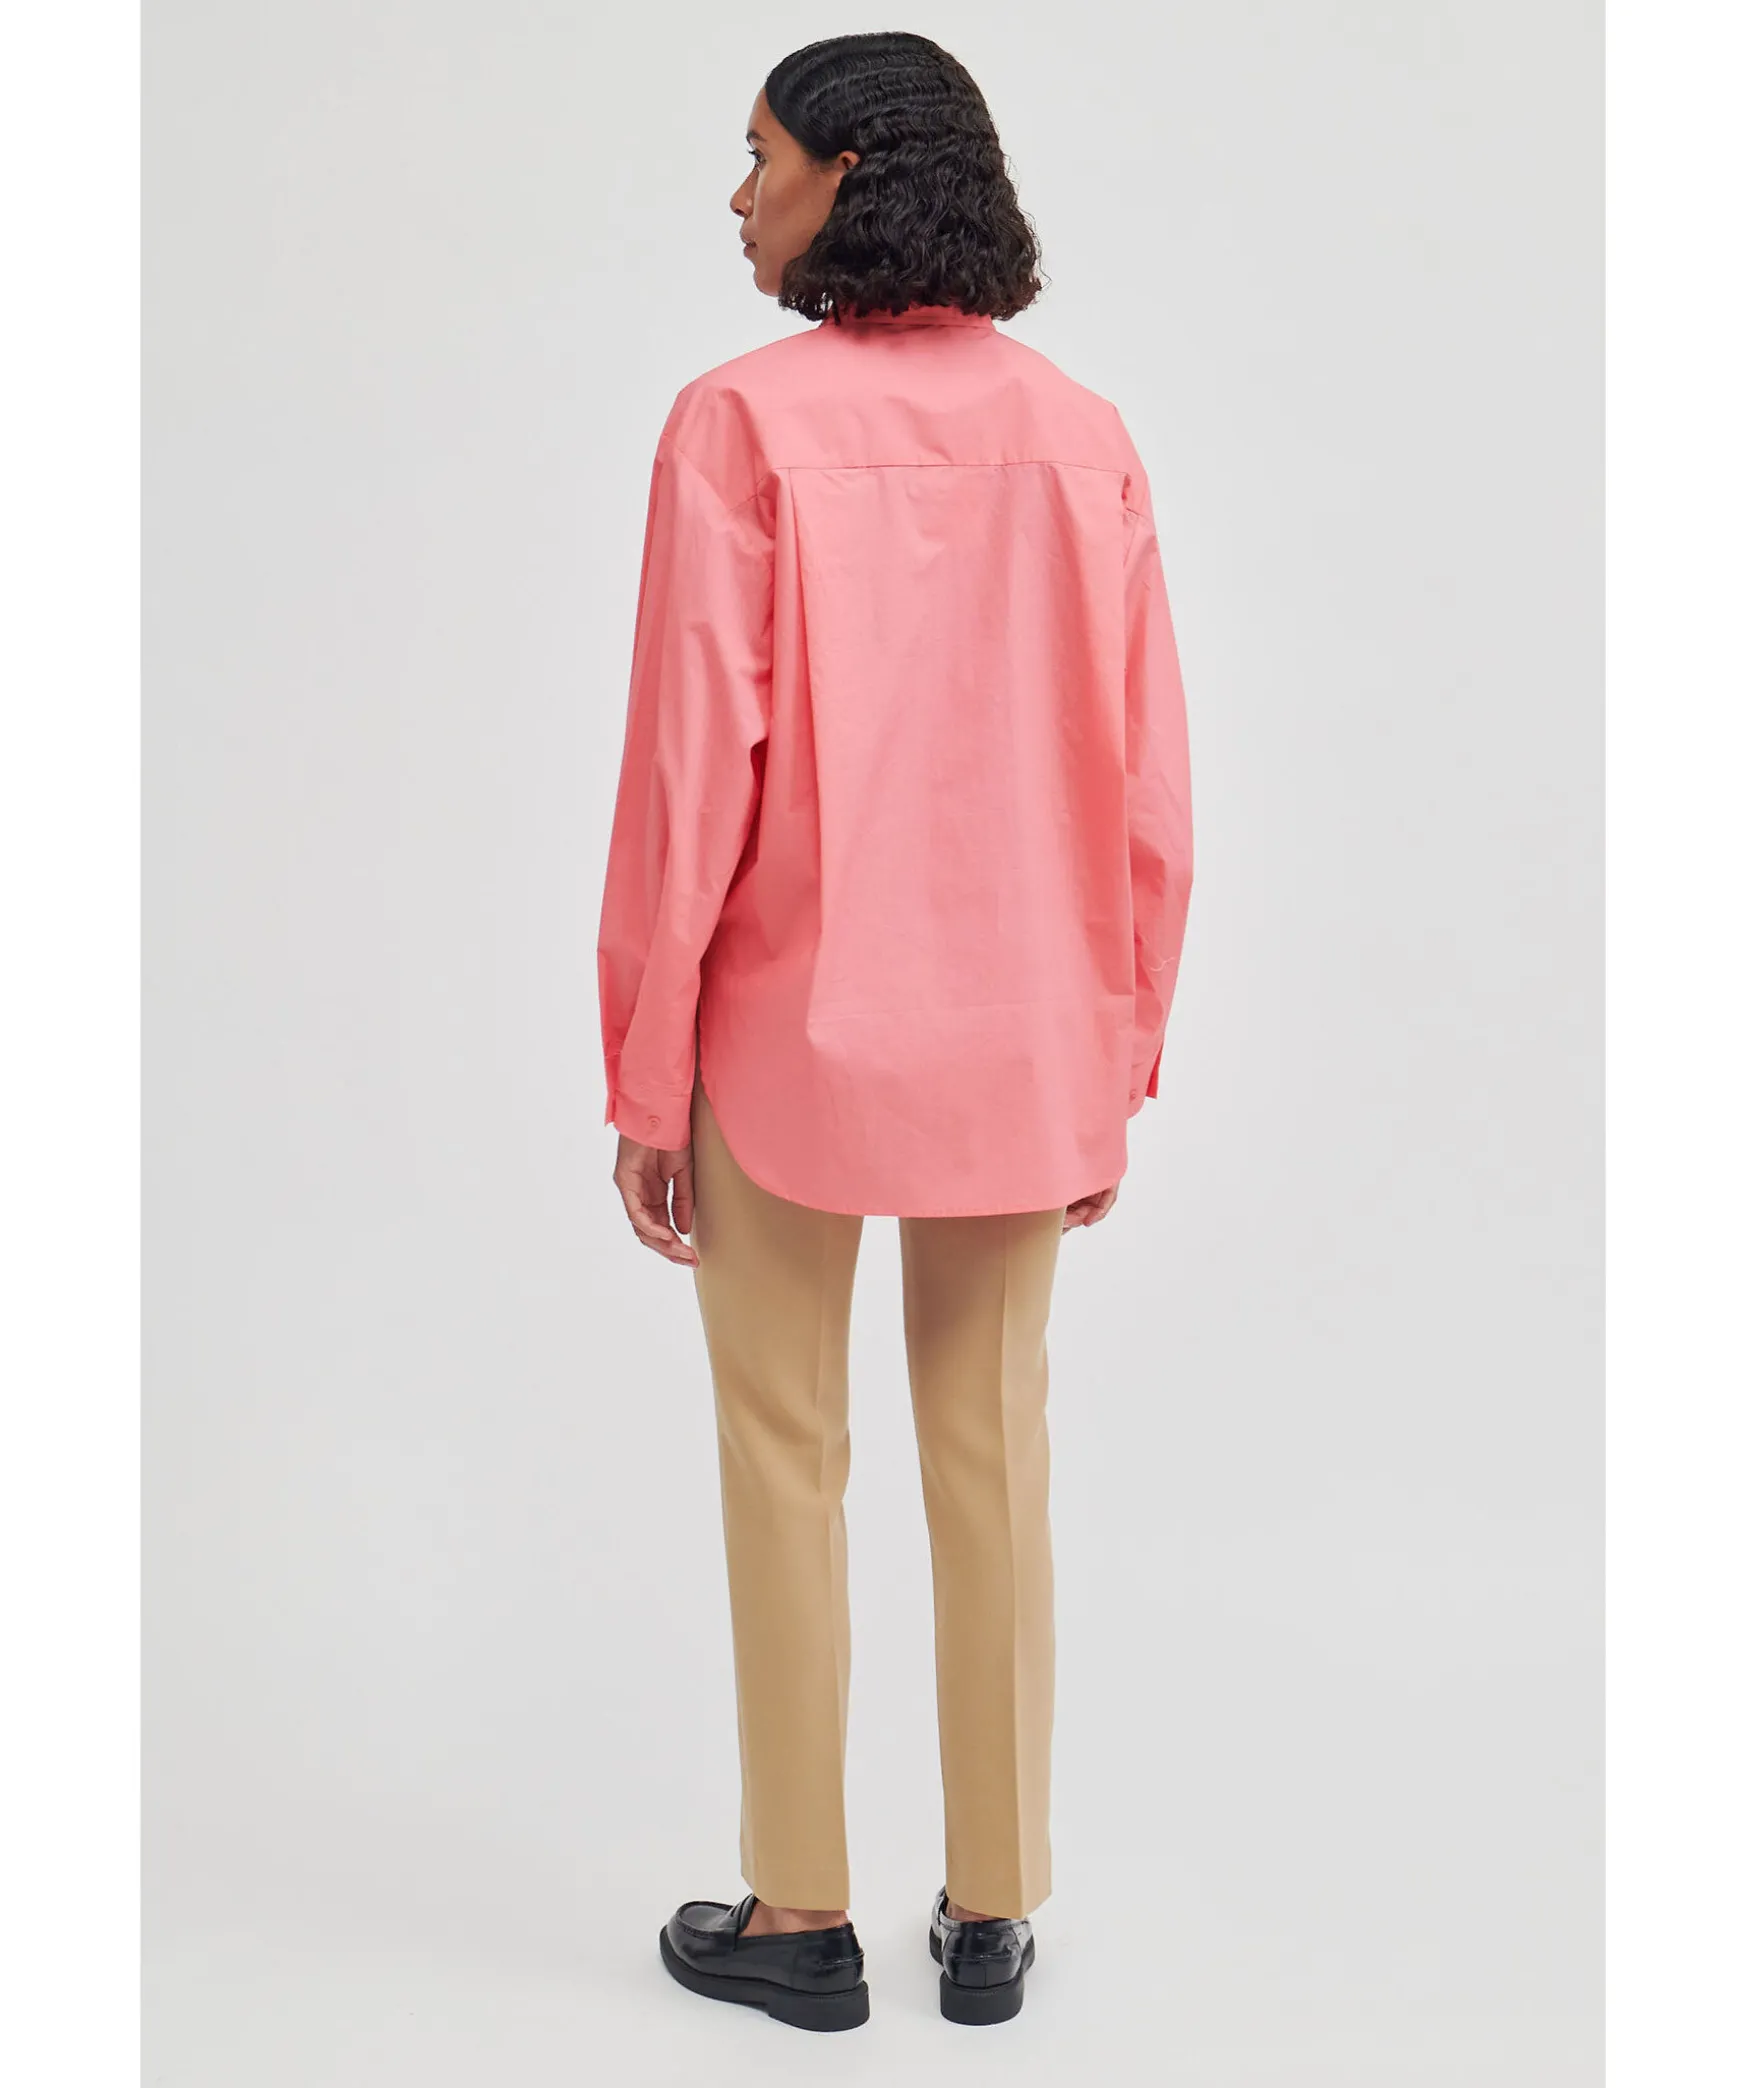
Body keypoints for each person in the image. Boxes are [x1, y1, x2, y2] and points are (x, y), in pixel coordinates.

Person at [596, 30, 1193, 2033]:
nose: (739, 194)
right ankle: (995, 1904)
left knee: (786, 1452)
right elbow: (1147, 787)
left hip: (787, 1038)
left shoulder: (736, 426)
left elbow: (690, 777)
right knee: (993, 1446)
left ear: (848, 175)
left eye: (759, 156)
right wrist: (1120, 1053)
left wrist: (643, 1067)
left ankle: (799, 1913)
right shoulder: (1081, 433)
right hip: (1022, 1042)